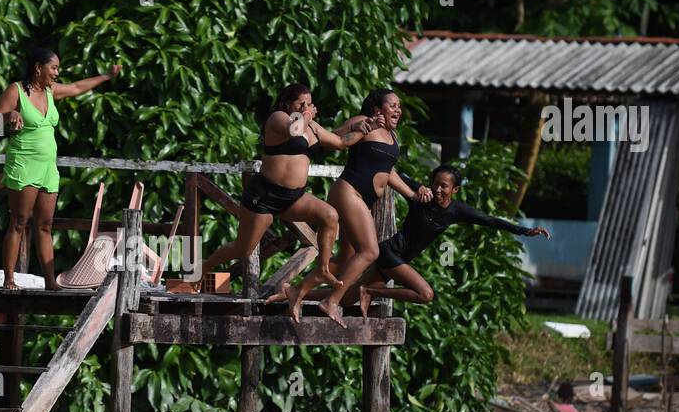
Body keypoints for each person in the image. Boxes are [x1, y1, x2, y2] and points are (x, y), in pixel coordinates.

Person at [186, 83, 374, 295]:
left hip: (293, 198)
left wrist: (361, 130)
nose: (307, 107)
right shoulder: (279, 118)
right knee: (243, 248)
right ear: (287, 104)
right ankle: (203, 268)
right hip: (264, 195)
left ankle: (322, 269)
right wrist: (306, 117)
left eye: (309, 104)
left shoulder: (311, 127)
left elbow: (340, 142)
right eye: (301, 104)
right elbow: (294, 131)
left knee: (330, 216)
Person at [273, 88, 431, 325]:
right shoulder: (362, 121)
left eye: (399, 106)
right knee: (370, 251)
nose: (398, 110)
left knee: (346, 260)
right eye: (393, 105)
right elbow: (332, 138)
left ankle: (297, 291)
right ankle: (331, 302)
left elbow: (388, 171)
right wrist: (360, 126)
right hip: (349, 192)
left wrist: (412, 193)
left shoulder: (392, 136)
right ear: (378, 109)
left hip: (362, 200)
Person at [0, 48, 122, 290]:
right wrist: (9, 115)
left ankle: (50, 282)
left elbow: (75, 88)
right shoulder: (15, 90)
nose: (57, 73)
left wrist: (106, 76)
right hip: (24, 164)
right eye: (53, 68)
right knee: (19, 221)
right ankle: (10, 279)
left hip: (48, 169)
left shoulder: (51, 91)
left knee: (45, 225)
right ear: (38, 68)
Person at [342, 164, 550, 309]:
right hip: (390, 253)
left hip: (400, 259)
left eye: (444, 186)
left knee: (346, 298)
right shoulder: (422, 194)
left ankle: (309, 297)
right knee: (426, 294)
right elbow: (389, 171)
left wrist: (524, 231)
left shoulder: (457, 211)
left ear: (455, 189)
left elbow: (490, 220)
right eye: (435, 183)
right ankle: (370, 292)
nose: (438, 189)